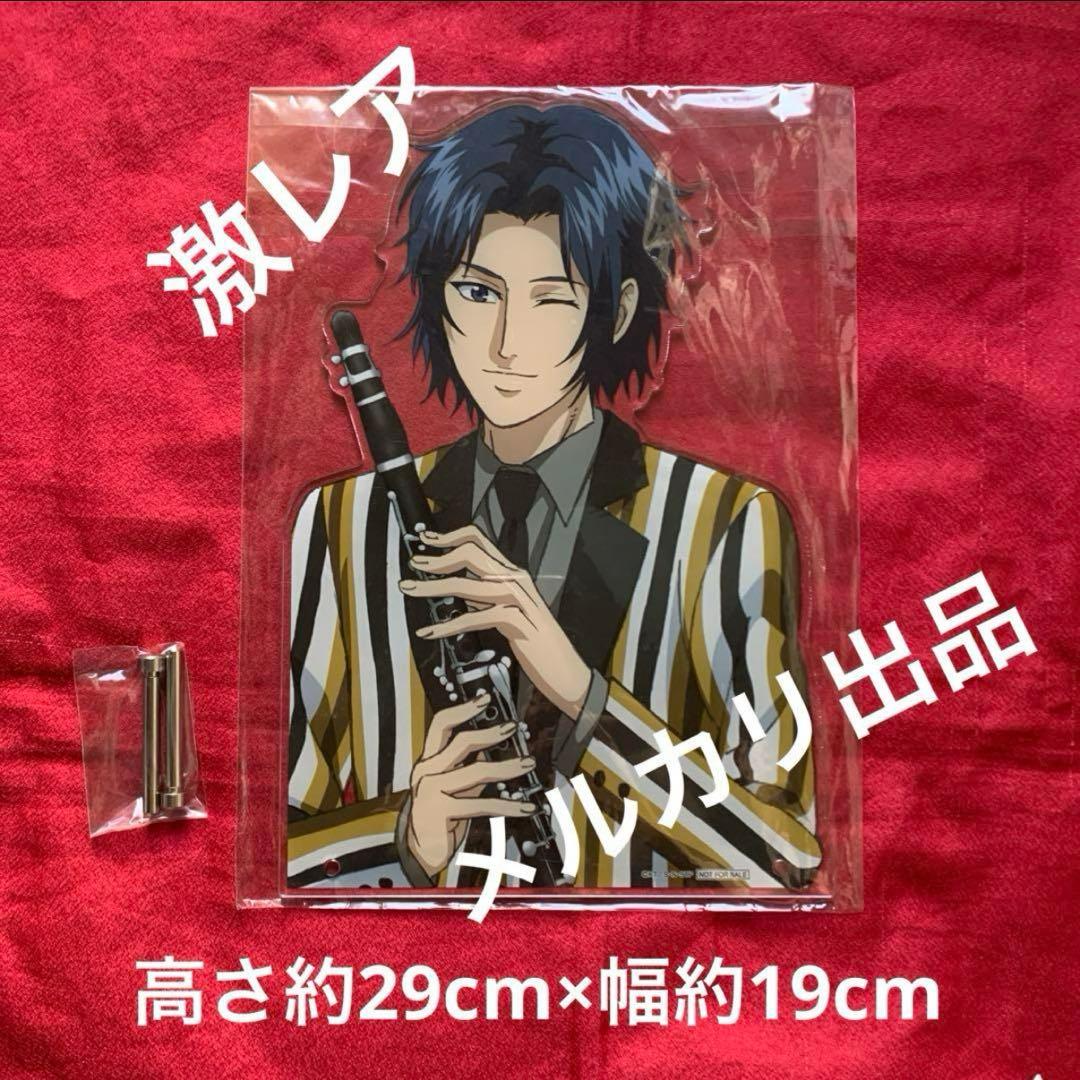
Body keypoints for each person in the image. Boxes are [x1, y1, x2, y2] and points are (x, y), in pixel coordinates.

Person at [286, 103, 821, 892]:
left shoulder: (726, 524)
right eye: (478, 292)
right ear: (437, 297)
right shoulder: (342, 525)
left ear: (618, 310)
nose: (506, 345)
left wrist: (584, 696)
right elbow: (280, 849)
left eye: (552, 297)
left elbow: (785, 858)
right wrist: (410, 838)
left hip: (641, 962)